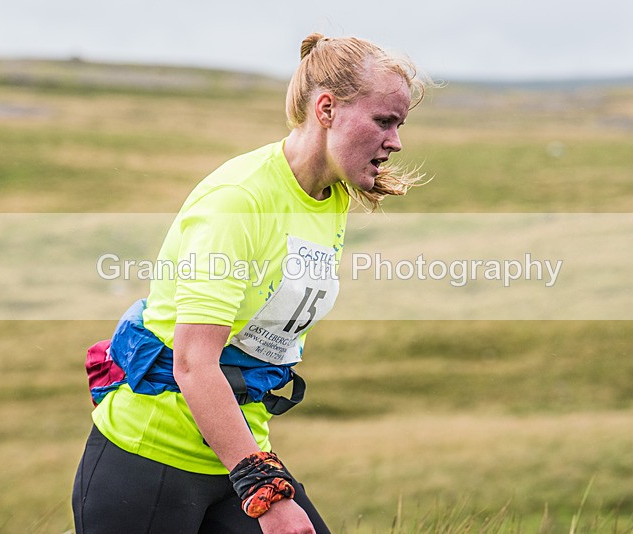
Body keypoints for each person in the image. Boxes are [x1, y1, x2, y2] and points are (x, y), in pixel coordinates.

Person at [72, 32, 426, 534]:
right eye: (384, 121)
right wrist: (264, 489)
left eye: (400, 124)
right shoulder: (240, 201)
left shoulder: (331, 197)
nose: (395, 141)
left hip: (233, 455)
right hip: (148, 463)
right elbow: (194, 363)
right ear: (326, 108)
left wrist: (254, 468)